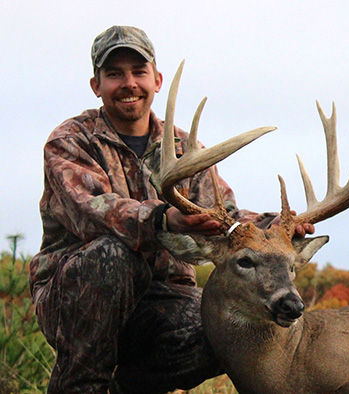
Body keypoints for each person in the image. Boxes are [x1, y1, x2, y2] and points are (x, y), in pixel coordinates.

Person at [29, 25, 313, 393]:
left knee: (224, 326)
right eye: (114, 74)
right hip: (80, 295)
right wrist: (163, 218)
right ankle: (81, 385)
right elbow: (92, 210)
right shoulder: (70, 142)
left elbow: (223, 217)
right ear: (96, 86)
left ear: (157, 79)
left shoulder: (186, 148)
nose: (128, 83)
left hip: (164, 296)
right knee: (113, 255)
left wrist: (274, 226)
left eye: (138, 72)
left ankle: (128, 388)